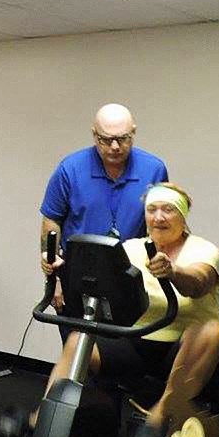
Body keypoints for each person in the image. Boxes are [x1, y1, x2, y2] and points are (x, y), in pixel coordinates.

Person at [8, 183, 219, 437]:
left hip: (184, 348)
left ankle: (160, 416)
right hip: (136, 342)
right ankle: (40, 423)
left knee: (214, 330)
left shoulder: (202, 249)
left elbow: (199, 281)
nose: (159, 217)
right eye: (152, 210)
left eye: (168, 210)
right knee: (78, 341)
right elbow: (99, 284)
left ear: (182, 217)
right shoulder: (132, 249)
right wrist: (57, 269)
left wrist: (173, 272)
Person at [40, 103, 168, 314]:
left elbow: (165, 220)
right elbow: (51, 221)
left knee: (119, 345)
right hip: (77, 276)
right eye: (106, 139)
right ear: (94, 134)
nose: (115, 146)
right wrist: (53, 279)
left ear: (133, 132)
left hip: (129, 276)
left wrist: (192, 245)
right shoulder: (70, 169)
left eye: (123, 138)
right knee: (76, 342)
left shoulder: (154, 169)